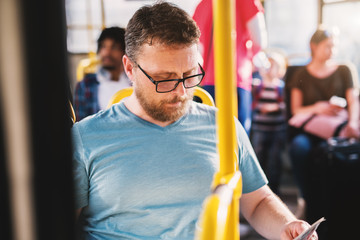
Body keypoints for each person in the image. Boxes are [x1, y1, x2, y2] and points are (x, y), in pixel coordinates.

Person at [72, 2, 317, 239]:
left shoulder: (224, 126)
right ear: (129, 68)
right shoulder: (85, 138)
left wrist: (286, 225)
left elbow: (257, 202)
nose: (180, 92)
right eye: (164, 78)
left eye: (190, 75)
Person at [288, 27, 360, 201]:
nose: (332, 51)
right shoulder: (300, 74)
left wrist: (353, 123)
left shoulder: (344, 70)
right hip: (310, 131)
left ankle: (344, 202)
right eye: (328, 46)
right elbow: (295, 110)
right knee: (298, 148)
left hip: (339, 129)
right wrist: (317, 107)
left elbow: (353, 101)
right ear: (314, 46)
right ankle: (306, 198)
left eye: (334, 46)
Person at [193, 0, 268, 135]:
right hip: (237, 77)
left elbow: (197, 47)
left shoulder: (202, 4)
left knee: (211, 136)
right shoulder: (247, 2)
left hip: (208, 81)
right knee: (238, 137)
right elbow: (260, 40)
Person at [74, 27, 131, 121]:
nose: (107, 52)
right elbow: (79, 125)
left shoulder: (134, 83)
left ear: (125, 51)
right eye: (103, 47)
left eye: (114, 47)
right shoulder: (85, 85)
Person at [251, 51, 287, 195]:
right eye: (268, 65)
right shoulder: (258, 85)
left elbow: (285, 106)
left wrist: (275, 107)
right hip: (260, 128)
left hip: (276, 130)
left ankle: (274, 191)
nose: (270, 69)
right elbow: (252, 102)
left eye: (275, 66)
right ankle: (258, 190)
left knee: (274, 160)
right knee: (258, 158)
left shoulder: (280, 88)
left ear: (281, 71)